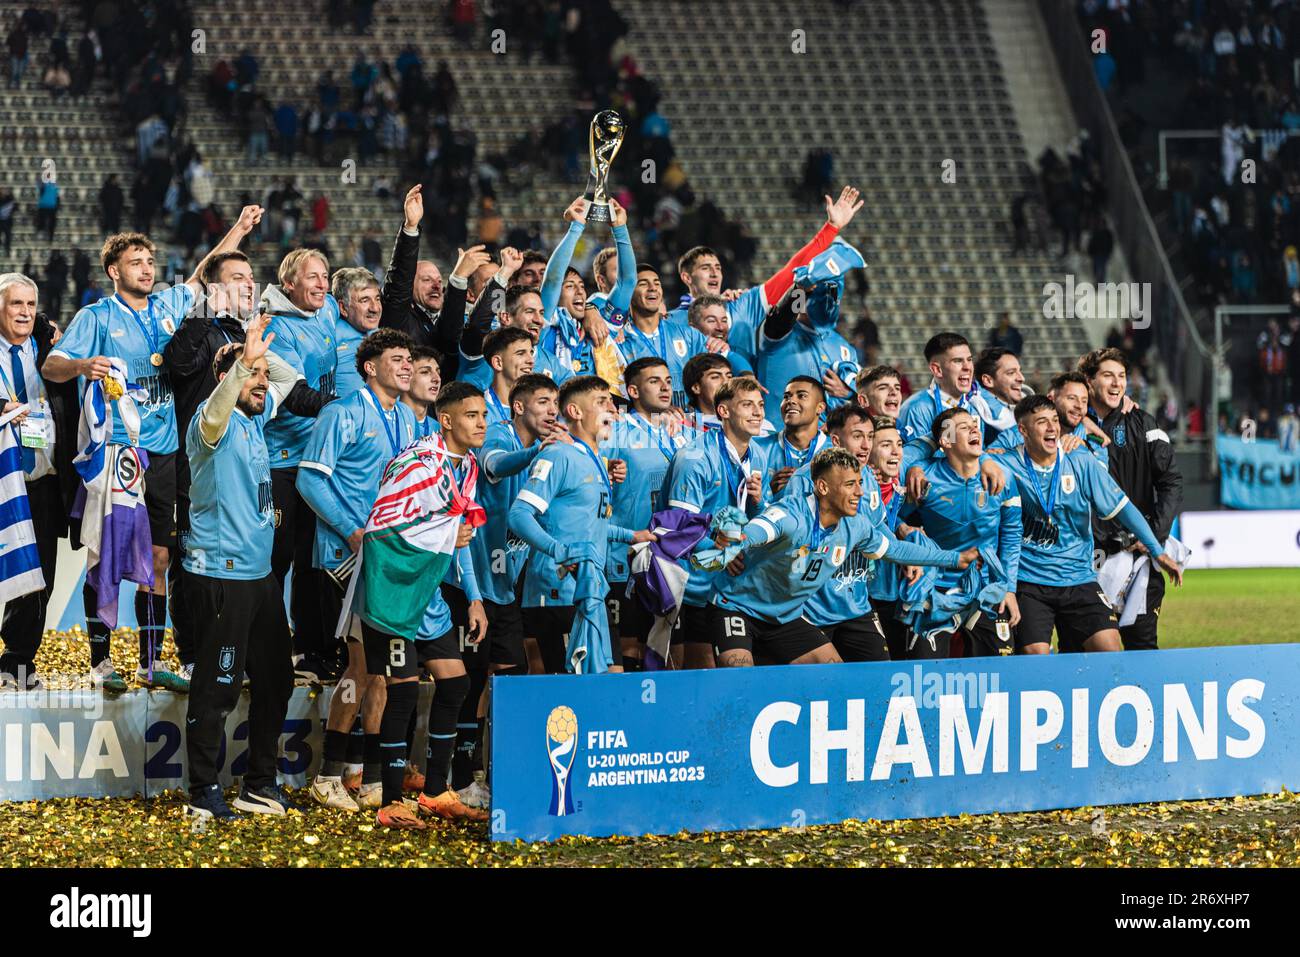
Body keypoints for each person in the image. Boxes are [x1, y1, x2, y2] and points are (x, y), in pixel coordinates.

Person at [45, 211, 259, 692]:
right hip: (117, 451)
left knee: (160, 557)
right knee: (107, 554)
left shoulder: (168, 306)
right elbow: (52, 364)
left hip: (164, 452)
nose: (146, 268)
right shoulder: (96, 316)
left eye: (150, 261)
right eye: (135, 262)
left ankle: (148, 661)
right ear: (114, 271)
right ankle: (101, 661)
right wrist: (83, 365)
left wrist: (240, 230)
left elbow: (206, 272)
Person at [353, 381, 489, 828]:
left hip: (427, 595)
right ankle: (392, 800)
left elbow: (458, 534)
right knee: (405, 690)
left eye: (484, 415)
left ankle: (434, 791)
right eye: (472, 416)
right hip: (392, 592)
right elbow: (381, 528)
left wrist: (473, 597)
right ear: (446, 420)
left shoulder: (465, 466)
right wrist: (448, 534)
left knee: (454, 685)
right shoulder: (416, 463)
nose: (482, 423)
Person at [182, 316, 299, 821]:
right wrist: (240, 366)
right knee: (218, 688)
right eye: (252, 377)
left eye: (261, 377)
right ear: (227, 381)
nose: (261, 383)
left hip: (259, 578)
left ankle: (259, 783)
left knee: (277, 680)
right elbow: (215, 412)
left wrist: (258, 356)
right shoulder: (211, 425)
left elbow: (290, 380)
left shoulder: (255, 418)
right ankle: (203, 790)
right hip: (220, 577)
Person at [709, 447, 974, 667]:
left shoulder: (856, 526)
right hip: (738, 607)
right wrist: (734, 539)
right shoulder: (792, 515)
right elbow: (758, 529)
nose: (859, 492)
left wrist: (953, 559)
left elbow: (895, 550)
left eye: (859, 483)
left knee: (833, 673)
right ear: (822, 487)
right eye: (850, 485)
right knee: (739, 679)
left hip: (784, 617)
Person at [301, 328, 417, 812]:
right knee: (361, 666)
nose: (407, 365)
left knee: (382, 673)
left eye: (410, 357)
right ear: (370, 367)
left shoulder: (407, 420)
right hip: (346, 558)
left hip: (387, 558)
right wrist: (352, 530)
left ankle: (363, 773)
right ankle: (327, 775)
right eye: (397, 358)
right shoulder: (343, 412)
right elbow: (310, 479)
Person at [994, 395, 1182, 656]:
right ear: (1023, 430)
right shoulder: (1005, 464)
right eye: (1041, 422)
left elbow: (1125, 508)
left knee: (1110, 650)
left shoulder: (1080, 460)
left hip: (1078, 577)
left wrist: (1157, 551)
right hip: (1030, 581)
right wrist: (982, 462)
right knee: (1035, 658)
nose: (1051, 428)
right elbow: (966, 461)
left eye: (1053, 421)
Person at [509, 376, 656, 674]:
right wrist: (561, 552)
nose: (612, 410)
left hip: (590, 589)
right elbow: (519, 515)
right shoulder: (558, 454)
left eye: (612, 404)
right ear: (575, 412)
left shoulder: (594, 459)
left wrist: (631, 536)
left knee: (611, 680)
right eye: (602, 402)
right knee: (571, 695)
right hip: (556, 590)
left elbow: (590, 524)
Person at [259, 248, 341, 684]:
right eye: (312, 277)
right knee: (279, 557)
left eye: (325, 275)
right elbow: (294, 394)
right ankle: (268, 650)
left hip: (317, 459)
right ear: (288, 283)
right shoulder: (275, 324)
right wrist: (343, 409)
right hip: (281, 461)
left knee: (313, 559)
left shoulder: (326, 310)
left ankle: (309, 649)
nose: (322, 284)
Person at [657, 376, 769, 668]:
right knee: (680, 675)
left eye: (760, 405)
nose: (758, 412)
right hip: (680, 582)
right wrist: (720, 552)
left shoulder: (758, 456)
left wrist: (758, 503)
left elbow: (757, 517)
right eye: (747, 405)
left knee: (719, 672)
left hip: (723, 587)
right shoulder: (695, 458)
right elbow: (676, 524)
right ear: (724, 411)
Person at [1080, 348, 1184, 651]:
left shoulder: (1143, 423)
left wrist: (1154, 532)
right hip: (1085, 560)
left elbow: (1172, 481)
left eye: (1122, 377)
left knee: (1142, 647)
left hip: (1137, 556)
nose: (1116, 384)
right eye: (1108, 376)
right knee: (1081, 650)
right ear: (1088, 381)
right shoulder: (1064, 425)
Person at [0, 276, 76, 690]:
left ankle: (18, 660)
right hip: (2, 479)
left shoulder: (48, 345)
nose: (25, 312)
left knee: (38, 572)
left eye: (31, 304)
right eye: (16, 304)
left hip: (43, 480)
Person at [903, 408, 1023, 658]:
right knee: (925, 678)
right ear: (945, 440)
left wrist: (1009, 588)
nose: (975, 429)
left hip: (987, 587)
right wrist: (910, 544)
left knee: (999, 680)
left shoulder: (1002, 476)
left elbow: (1012, 534)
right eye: (964, 427)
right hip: (935, 588)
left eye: (975, 425)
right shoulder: (924, 480)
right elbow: (891, 519)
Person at [602, 358, 692, 669]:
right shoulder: (616, 430)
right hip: (623, 557)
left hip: (667, 558)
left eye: (668, 380)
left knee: (667, 651)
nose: (665, 386)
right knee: (630, 649)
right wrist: (607, 471)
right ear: (633, 390)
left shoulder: (679, 434)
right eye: (654, 381)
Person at [378, 184, 468, 379]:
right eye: (426, 280)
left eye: (439, 280)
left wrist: (459, 280)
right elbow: (399, 282)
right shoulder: (399, 318)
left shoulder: (444, 322)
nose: (437, 285)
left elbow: (451, 336)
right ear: (410, 286)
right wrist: (410, 228)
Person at [755, 375, 831, 498]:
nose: (791, 401)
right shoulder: (757, 448)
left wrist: (804, 483)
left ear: (820, 408)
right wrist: (767, 491)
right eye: (786, 397)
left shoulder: (835, 453)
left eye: (802, 396)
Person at [330, 267, 383, 399]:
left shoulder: (382, 335)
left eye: (377, 299)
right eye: (364, 300)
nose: (375, 308)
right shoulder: (328, 340)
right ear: (343, 308)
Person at [481, 327, 535, 428]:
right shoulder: (480, 412)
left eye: (531, 352)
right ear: (498, 363)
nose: (531, 360)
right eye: (521, 353)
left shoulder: (538, 410)